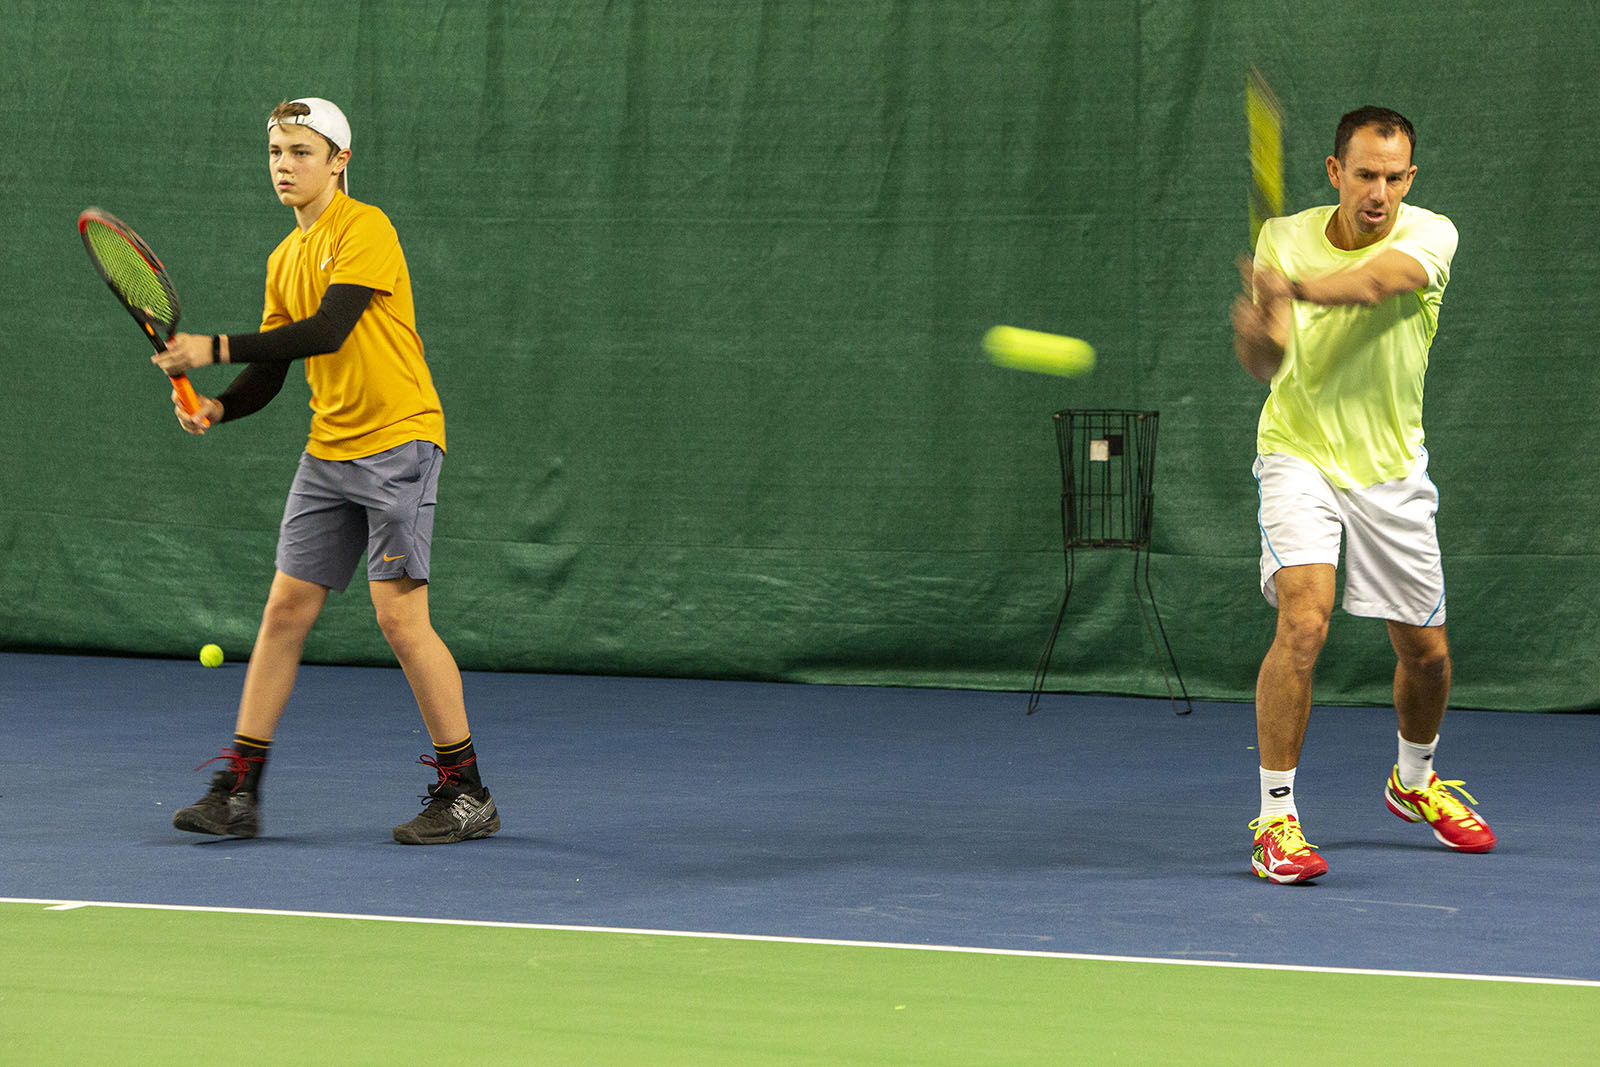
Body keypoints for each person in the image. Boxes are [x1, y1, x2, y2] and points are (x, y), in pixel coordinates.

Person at [158, 97, 499, 845]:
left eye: (300, 152)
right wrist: (219, 407)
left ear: (339, 162)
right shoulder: (284, 259)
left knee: (399, 618)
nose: (283, 166)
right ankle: (239, 791)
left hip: (398, 441)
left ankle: (466, 790)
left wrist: (213, 347)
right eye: (275, 152)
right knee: (284, 611)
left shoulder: (366, 228)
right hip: (328, 451)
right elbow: (276, 365)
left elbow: (329, 329)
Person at [1230, 105, 1493, 884]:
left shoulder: (1431, 234)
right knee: (1303, 621)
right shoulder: (1284, 237)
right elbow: (1266, 364)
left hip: (1390, 470)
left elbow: (1378, 284)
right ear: (1334, 172)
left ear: (1410, 178)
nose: (1380, 192)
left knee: (1428, 657)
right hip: (1299, 454)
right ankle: (1276, 819)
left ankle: (1414, 779)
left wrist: (1292, 286)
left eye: (1394, 177)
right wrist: (1259, 325)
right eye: (1366, 174)